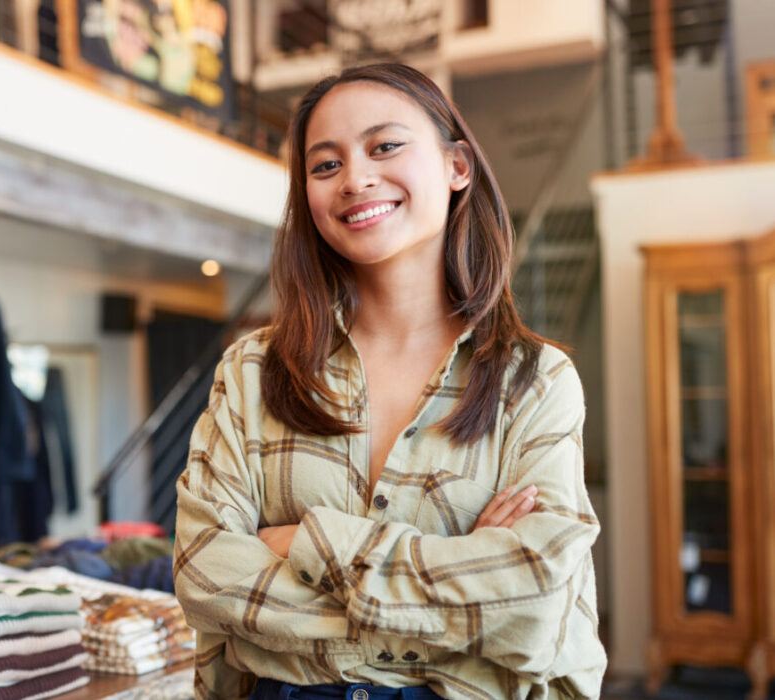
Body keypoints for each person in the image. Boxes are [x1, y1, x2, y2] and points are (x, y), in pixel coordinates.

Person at [172, 63, 605, 700]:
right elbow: (205, 574)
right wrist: (460, 595)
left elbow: (536, 596)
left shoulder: (534, 380)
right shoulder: (251, 370)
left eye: (385, 146)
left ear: (458, 166)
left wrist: (311, 544)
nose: (355, 178)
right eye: (325, 165)